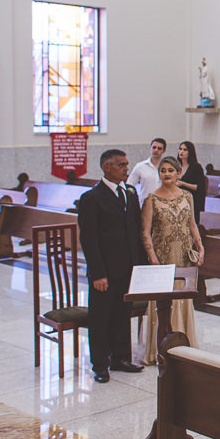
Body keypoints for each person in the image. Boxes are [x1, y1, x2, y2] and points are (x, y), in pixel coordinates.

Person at [77, 149, 147, 383]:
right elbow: (89, 239)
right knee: (101, 317)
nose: (127, 169)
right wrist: (98, 272)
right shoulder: (92, 198)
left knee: (122, 314)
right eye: (121, 165)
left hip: (127, 267)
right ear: (107, 167)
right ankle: (99, 364)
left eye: (127, 165)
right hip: (104, 271)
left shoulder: (129, 192)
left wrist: (139, 267)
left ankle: (121, 357)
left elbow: (134, 231)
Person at [139, 156, 204, 364]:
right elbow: (145, 231)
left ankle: (183, 345)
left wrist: (200, 247)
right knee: (163, 301)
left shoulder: (187, 196)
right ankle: (159, 348)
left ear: (178, 173)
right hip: (162, 255)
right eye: (163, 170)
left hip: (183, 255)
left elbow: (192, 224)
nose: (166, 174)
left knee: (181, 297)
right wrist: (152, 258)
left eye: (170, 170)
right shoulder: (151, 199)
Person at [174, 140, 207, 222]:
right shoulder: (175, 166)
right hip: (177, 201)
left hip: (192, 202)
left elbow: (200, 187)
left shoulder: (196, 167)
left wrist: (183, 184)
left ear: (190, 152)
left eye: (185, 150)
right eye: (180, 149)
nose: (181, 152)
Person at [127, 138, 166, 205]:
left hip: (164, 205)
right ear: (150, 148)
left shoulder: (167, 167)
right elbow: (129, 185)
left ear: (164, 151)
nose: (156, 150)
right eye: (154, 147)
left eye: (159, 148)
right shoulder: (140, 166)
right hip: (145, 205)